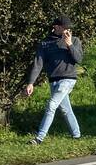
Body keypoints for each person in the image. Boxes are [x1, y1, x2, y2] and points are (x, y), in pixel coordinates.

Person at [25, 15, 83, 144]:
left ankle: (39, 138)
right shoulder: (45, 43)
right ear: (56, 27)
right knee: (65, 109)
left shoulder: (75, 40)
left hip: (68, 79)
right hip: (53, 80)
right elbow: (38, 64)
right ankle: (77, 136)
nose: (68, 29)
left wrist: (69, 45)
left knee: (51, 105)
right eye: (64, 27)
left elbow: (78, 59)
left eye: (69, 27)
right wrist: (30, 83)